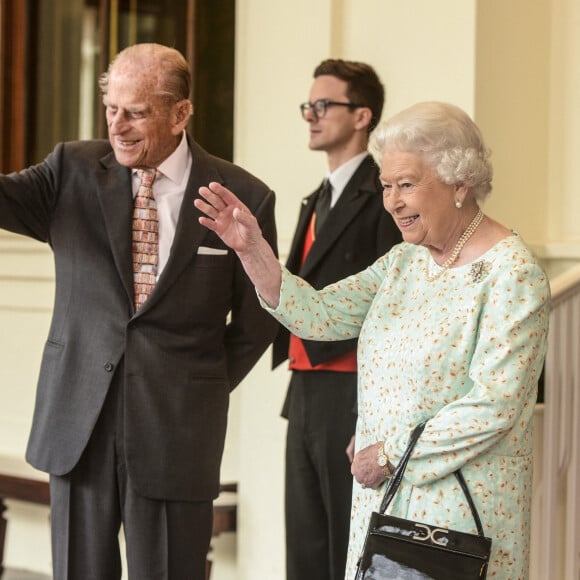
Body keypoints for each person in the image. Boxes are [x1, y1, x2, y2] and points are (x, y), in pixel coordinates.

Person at [195, 101, 550, 579]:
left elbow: (495, 405)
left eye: (407, 184)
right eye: (386, 186)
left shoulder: (512, 274)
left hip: (460, 514)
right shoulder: (403, 263)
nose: (393, 202)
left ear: (460, 182)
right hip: (384, 498)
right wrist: (253, 250)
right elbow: (319, 314)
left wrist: (388, 453)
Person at [0, 43, 278, 579]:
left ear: (180, 113)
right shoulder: (70, 170)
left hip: (178, 426)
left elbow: (257, 318)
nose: (118, 126)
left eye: (137, 112)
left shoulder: (243, 195)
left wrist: (202, 381)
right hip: (78, 423)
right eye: (111, 109)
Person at [272, 59, 401, 580]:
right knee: (303, 546)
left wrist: (374, 414)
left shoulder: (386, 195)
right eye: (309, 106)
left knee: (343, 551)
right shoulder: (316, 197)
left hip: (351, 393)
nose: (312, 115)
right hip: (302, 389)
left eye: (324, 106)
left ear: (363, 116)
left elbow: (393, 311)